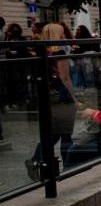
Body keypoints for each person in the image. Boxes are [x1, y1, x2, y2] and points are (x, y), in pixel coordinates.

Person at [27, 23, 77, 179]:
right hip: (63, 98)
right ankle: (69, 167)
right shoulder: (59, 52)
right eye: (61, 33)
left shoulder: (43, 51)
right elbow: (65, 77)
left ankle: (36, 159)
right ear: (56, 34)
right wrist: (74, 98)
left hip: (49, 97)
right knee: (66, 134)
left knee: (55, 134)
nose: (63, 36)